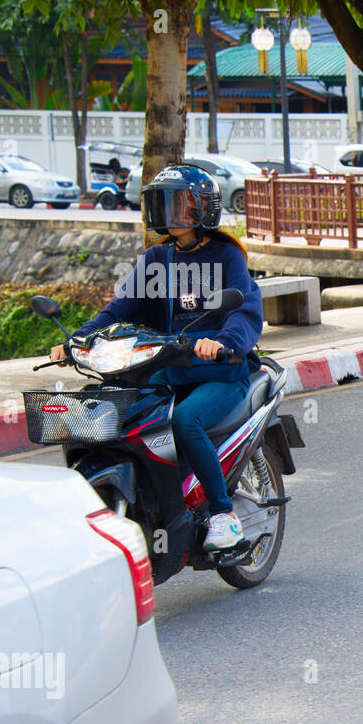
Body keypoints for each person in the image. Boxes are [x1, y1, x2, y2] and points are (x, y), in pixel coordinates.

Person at [49, 164, 265, 549]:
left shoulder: (228, 256)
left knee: (185, 420)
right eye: (162, 202)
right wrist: (78, 341)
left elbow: (244, 309)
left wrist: (223, 340)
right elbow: (117, 310)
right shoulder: (156, 259)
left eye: (178, 202)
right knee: (129, 419)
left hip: (220, 372)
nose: (168, 211)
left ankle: (222, 514)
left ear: (203, 209)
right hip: (168, 370)